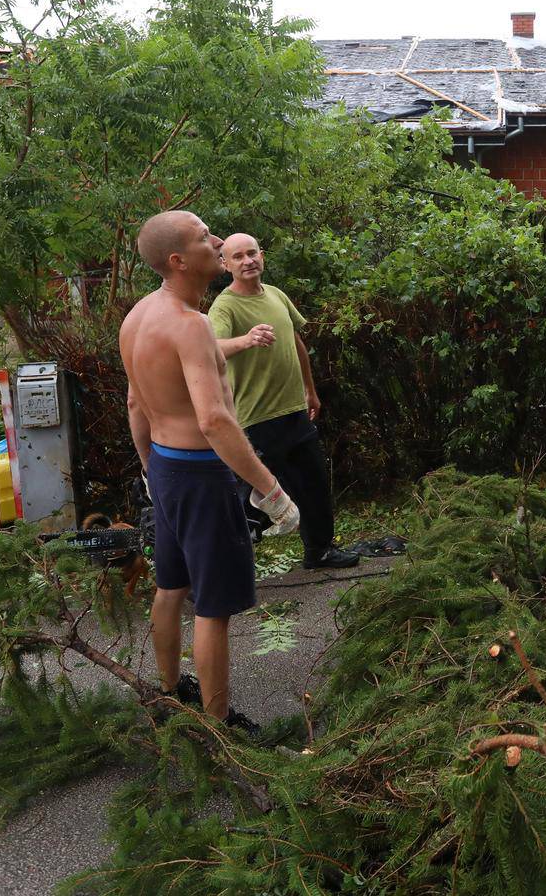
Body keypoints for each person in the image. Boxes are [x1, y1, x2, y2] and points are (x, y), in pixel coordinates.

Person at [120, 211, 300, 731]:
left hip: (168, 470)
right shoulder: (191, 324)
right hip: (200, 475)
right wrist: (271, 491)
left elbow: (135, 402)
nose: (217, 241)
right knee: (213, 607)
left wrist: (151, 469)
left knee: (171, 586)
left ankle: (171, 693)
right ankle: (219, 730)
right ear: (178, 260)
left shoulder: (139, 316)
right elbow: (216, 420)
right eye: (205, 237)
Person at [208, 233, 366, 569]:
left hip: (294, 409)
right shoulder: (224, 306)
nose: (248, 261)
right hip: (256, 418)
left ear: (262, 256)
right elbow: (211, 349)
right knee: (249, 502)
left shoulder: (277, 295)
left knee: (314, 484)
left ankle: (319, 551)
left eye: (252, 253)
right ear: (224, 265)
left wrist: (310, 389)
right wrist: (247, 340)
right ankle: (220, 567)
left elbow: (296, 344)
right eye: (238, 256)